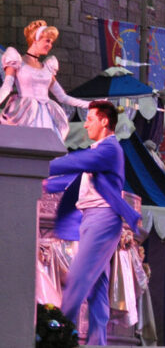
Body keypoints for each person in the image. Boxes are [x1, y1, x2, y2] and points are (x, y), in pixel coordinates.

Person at [44, 99, 141, 346]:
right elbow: (74, 177)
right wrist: (42, 180)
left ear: (104, 121)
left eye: (90, 118)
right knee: (97, 287)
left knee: (77, 280)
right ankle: (97, 343)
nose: (85, 123)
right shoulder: (99, 151)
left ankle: (59, 338)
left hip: (102, 219)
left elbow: (73, 162)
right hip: (92, 219)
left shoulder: (109, 150)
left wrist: (39, 164)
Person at [1, 19, 90, 140]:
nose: (50, 45)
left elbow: (62, 97)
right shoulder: (17, 61)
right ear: (35, 39)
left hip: (46, 114)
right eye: (47, 41)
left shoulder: (47, 68)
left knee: (47, 146)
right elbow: (6, 87)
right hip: (25, 113)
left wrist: (91, 104)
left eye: (52, 42)